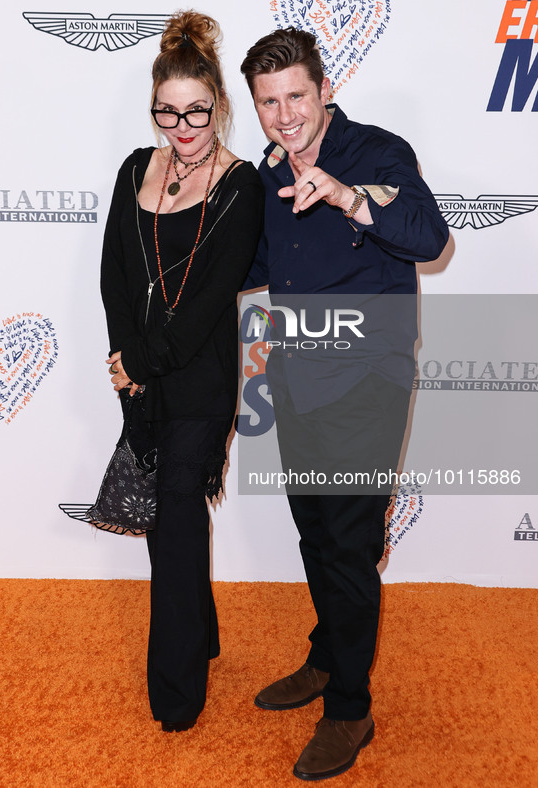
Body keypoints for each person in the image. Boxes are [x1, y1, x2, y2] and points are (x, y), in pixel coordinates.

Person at [240, 27, 449, 780]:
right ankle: (327, 658)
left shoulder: (377, 151)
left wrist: (351, 198)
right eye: (268, 101)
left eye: (296, 94)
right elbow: (255, 259)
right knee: (314, 531)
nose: (284, 113)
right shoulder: (266, 173)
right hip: (296, 372)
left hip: (368, 379)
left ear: (323, 88)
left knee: (351, 544)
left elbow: (429, 238)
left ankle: (350, 709)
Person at [100, 10, 263, 733]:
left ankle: (176, 694)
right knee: (180, 520)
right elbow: (114, 276)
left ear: (219, 104)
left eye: (196, 110)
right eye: (168, 112)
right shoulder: (136, 167)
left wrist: (142, 359)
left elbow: (203, 309)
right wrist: (125, 362)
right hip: (140, 379)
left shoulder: (240, 188)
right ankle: (204, 633)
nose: (183, 126)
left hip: (198, 384)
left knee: (171, 517)